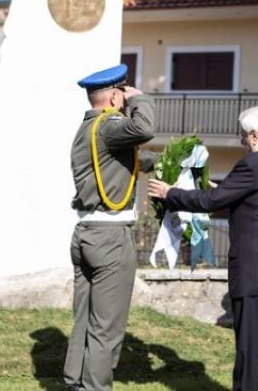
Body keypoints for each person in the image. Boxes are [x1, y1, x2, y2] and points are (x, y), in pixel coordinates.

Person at [147, 106, 258, 391]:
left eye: (243, 138)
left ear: (254, 136)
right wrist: (225, 189)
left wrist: (171, 193)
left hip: (254, 274)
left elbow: (210, 202)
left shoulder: (254, 164)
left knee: (251, 352)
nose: (243, 144)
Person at [64, 64, 156, 391]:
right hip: (111, 239)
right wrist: (142, 100)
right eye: (124, 93)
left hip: (85, 234)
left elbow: (120, 159)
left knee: (84, 320)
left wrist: (155, 162)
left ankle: (75, 383)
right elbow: (144, 129)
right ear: (115, 95)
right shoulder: (111, 125)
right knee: (107, 327)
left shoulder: (87, 128)